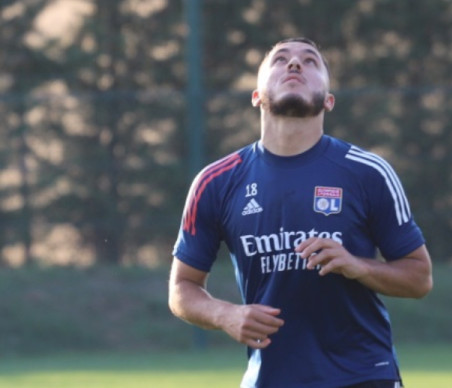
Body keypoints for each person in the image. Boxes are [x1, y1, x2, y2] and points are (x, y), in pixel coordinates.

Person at [169, 37, 433, 388]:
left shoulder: (368, 172)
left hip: (363, 376)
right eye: (280, 59)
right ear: (256, 96)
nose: (294, 65)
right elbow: (182, 288)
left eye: (310, 61)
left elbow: (419, 278)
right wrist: (225, 314)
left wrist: (358, 266)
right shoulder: (216, 182)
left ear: (329, 100)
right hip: (269, 379)